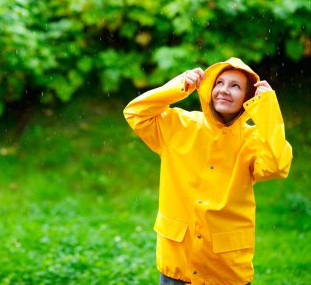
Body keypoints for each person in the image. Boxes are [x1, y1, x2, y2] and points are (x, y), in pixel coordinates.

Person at [123, 57, 292, 285]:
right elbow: (135, 112)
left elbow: (277, 166)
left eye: (235, 86)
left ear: (247, 97)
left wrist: (268, 110)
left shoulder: (253, 139)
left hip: (226, 268)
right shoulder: (179, 125)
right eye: (219, 83)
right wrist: (177, 87)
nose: (224, 90)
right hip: (178, 261)